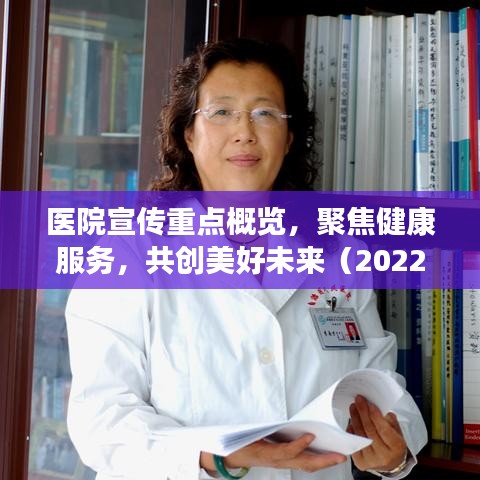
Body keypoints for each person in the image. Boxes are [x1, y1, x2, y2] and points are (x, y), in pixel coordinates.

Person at [65, 38, 427, 480]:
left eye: (265, 113)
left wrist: (394, 454)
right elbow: (101, 421)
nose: (245, 132)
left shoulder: (339, 253)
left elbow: (379, 386)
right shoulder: (127, 254)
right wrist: (217, 454)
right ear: (188, 134)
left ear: (289, 138)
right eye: (221, 112)